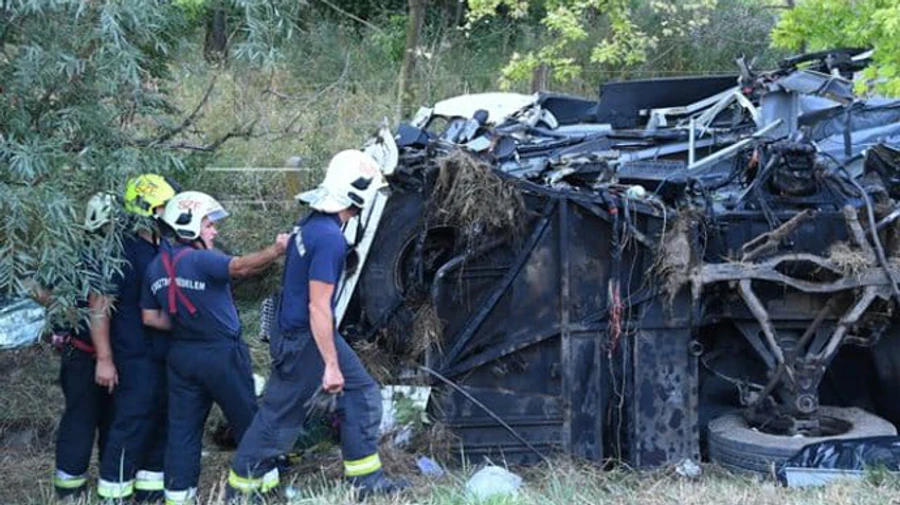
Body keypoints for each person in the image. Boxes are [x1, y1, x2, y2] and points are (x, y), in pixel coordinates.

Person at [228, 150, 406, 500]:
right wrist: (330, 365)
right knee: (278, 416)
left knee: (362, 393)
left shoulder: (311, 224)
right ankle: (240, 491)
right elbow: (319, 308)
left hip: (299, 332)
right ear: (361, 196)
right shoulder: (329, 239)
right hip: (304, 337)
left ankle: (366, 481)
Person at [140, 191, 289, 505]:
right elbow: (241, 268)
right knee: (248, 420)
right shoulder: (200, 259)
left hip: (181, 356)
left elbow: (150, 317)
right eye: (208, 224)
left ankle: (179, 497)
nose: (214, 231)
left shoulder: (155, 267)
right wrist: (276, 249)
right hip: (221, 354)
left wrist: (187, 324)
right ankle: (260, 491)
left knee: (183, 431)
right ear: (190, 226)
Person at [96, 174, 178, 503]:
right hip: (133, 351)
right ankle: (113, 493)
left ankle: (150, 491)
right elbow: (98, 305)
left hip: (163, 351)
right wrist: (104, 359)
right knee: (131, 421)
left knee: (161, 418)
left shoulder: (165, 246)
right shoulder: (121, 251)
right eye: (163, 206)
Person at [49, 192, 115, 499]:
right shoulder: (106, 257)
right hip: (93, 355)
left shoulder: (72, 252)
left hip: (80, 352)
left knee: (80, 417)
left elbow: (37, 285)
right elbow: (98, 305)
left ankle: (71, 486)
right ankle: (89, 483)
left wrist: (64, 315)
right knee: (93, 418)